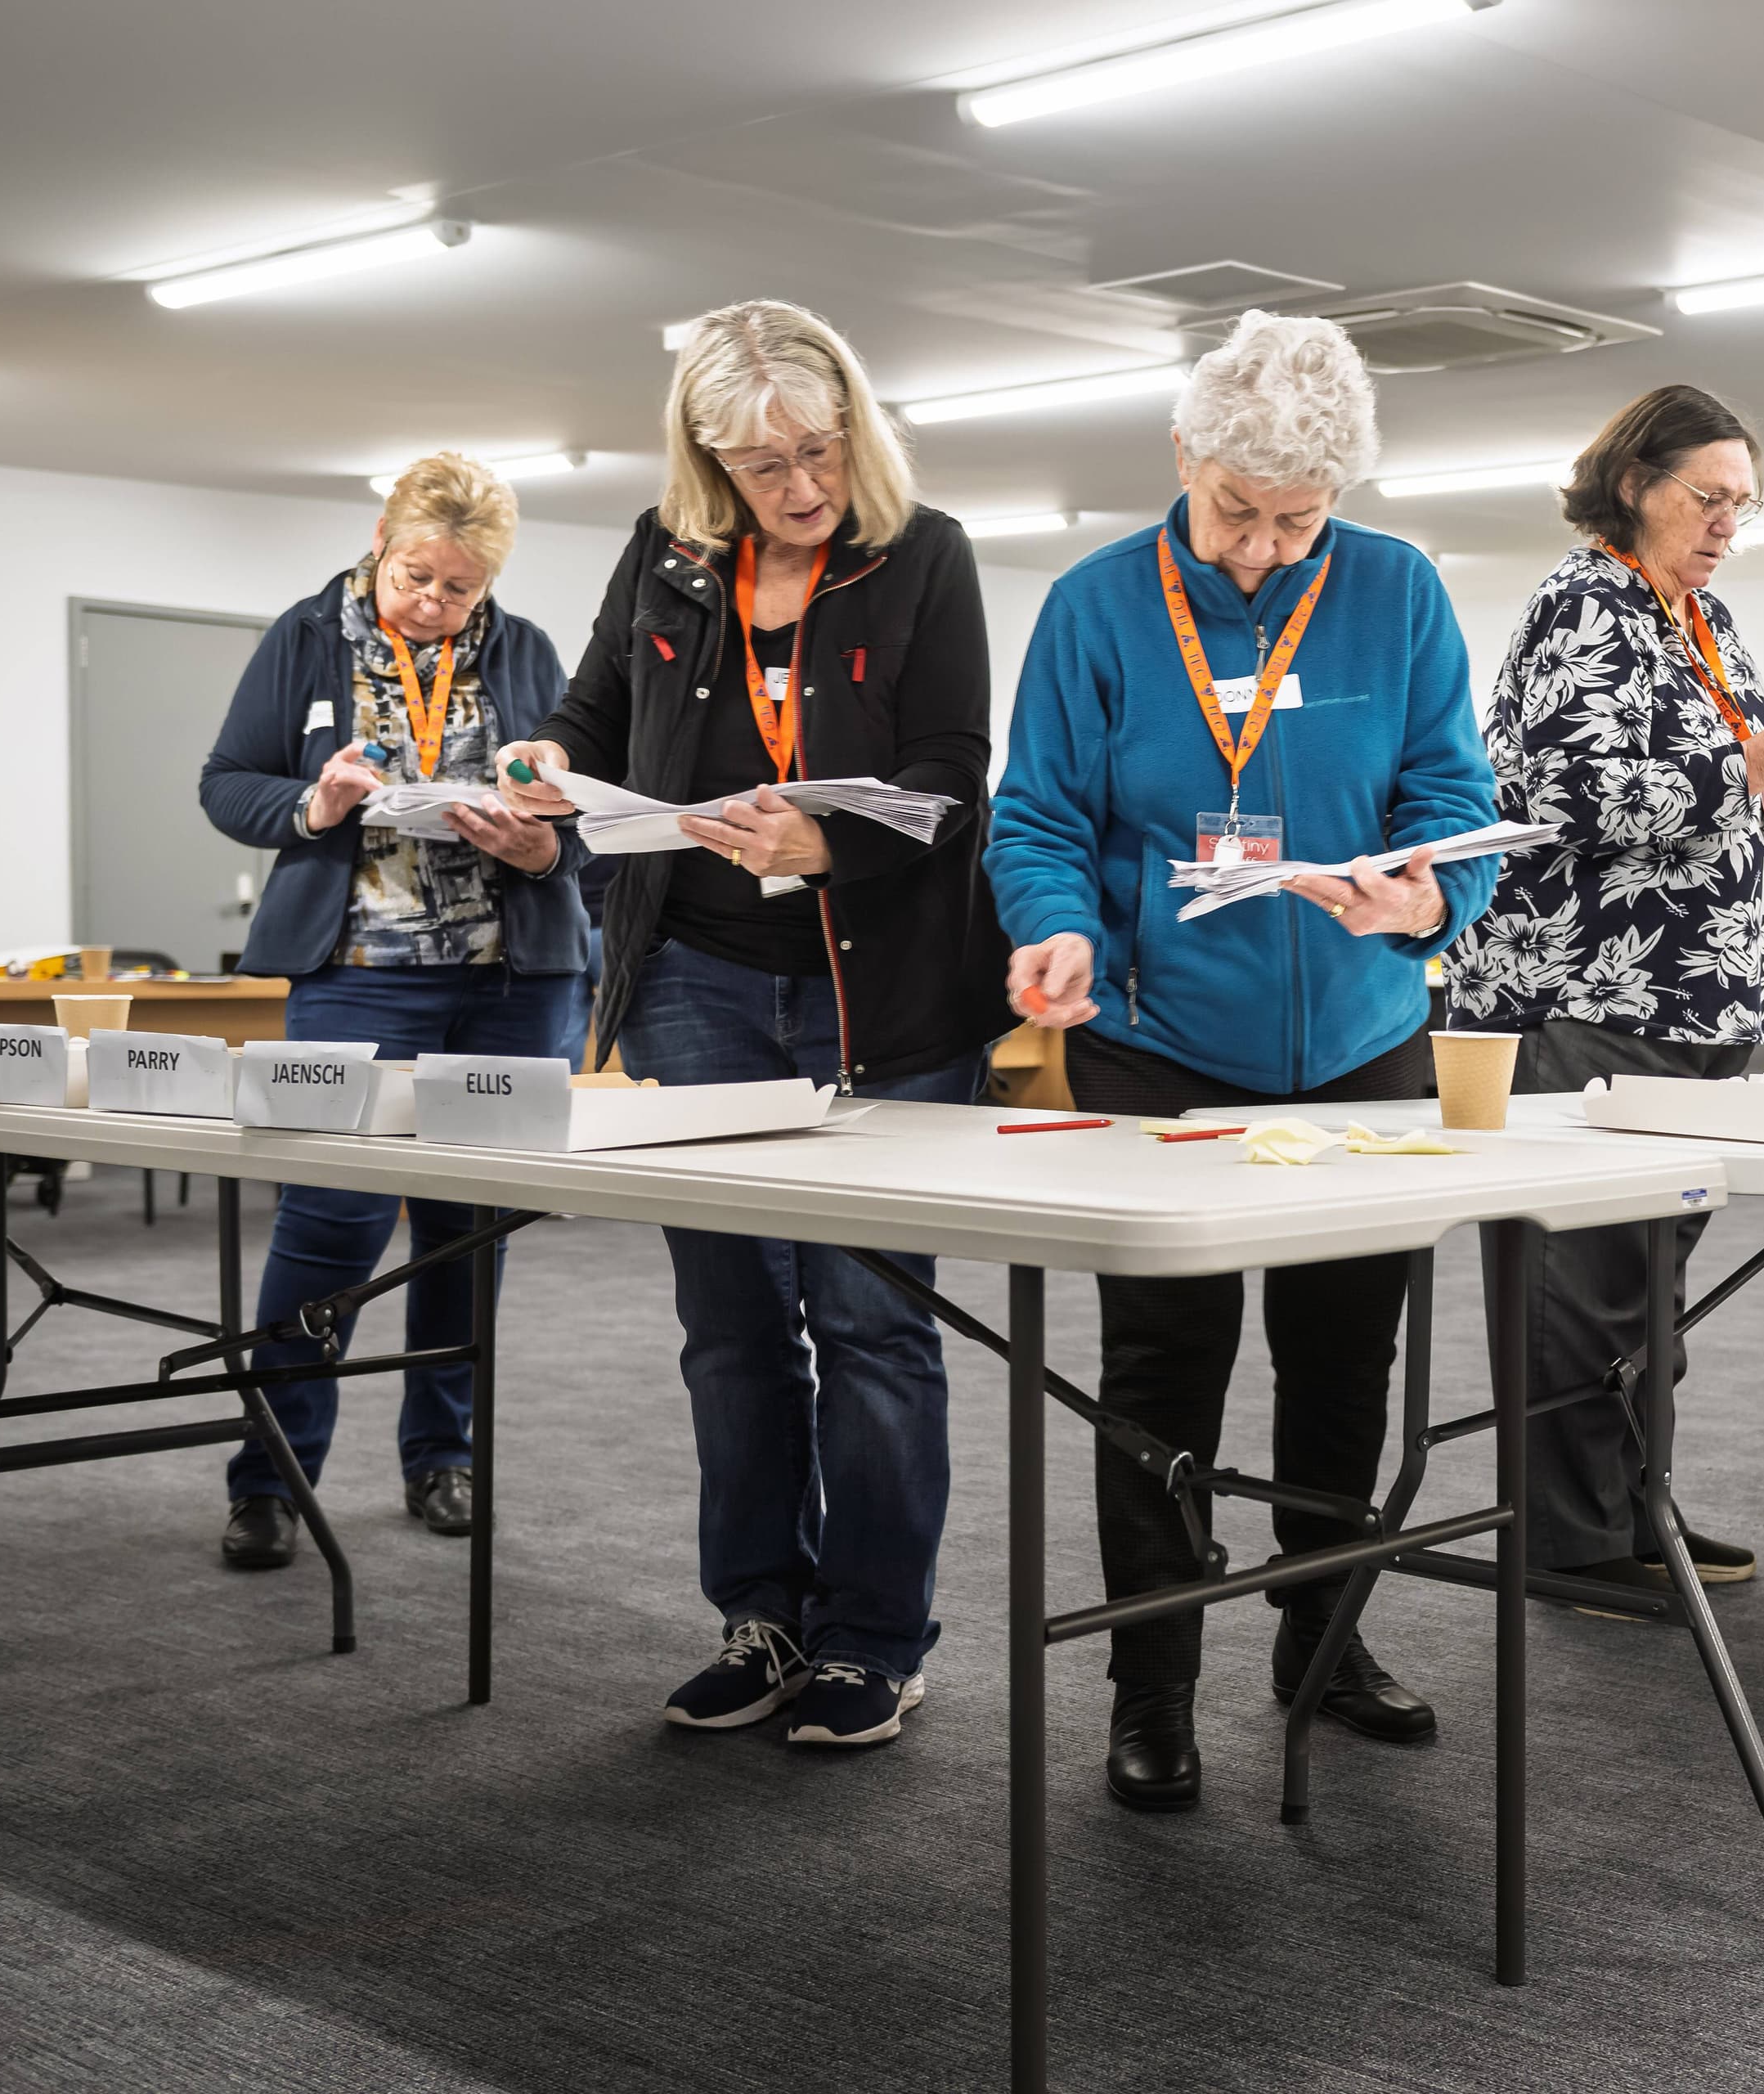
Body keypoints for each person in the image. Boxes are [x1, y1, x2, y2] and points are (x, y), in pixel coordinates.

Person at [986, 310, 1499, 1813]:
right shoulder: (1095, 607)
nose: (1267, 552)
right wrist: (1061, 928)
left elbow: (1449, 793)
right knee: (1162, 1379)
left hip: (1362, 1043)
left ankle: (1321, 1641)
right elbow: (1041, 819)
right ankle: (1152, 1684)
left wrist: (1430, 898)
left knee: (1347, 1366)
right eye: (1238, 515)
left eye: (1299, 522)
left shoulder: (1398, 593)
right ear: (1182, 457)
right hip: (1162, 1050)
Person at [497, 300, 1006, 1750]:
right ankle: (762, 1616)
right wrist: (545, 771)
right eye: (759, 462)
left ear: (857, 427)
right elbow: (589, 724)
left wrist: (831, 844)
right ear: (705, 458)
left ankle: (873, 1638)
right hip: (699, 974)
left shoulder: (925, 555)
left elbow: (954, 770)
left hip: (880, 987)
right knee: (730, 1323)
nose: (795, 487)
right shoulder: (668, 562)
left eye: (817, 451)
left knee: (869, 1318)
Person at [1442, 384, 1764, 1606]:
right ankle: (1566, 1542)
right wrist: (1755, 764)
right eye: (1710, 496)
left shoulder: (1701, 616)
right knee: (1584, 1289)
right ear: (1636, 482)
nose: (1731, 521)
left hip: (1705, 1007)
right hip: (1599, 995)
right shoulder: (1585, 604)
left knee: (1649, 1290)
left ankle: (1636, 1517)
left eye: (1746, 503)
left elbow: (1724, 791)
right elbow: (1578, 802)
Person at [200, 453, 587, 1571]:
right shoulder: (307, 637)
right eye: (418, 575)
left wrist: (544, 842)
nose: (433, 604)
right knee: (328, 1225)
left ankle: (443, 1456)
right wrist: (312, 805)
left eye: (459, 589)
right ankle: (270, 1479)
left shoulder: (525, 650)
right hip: (358, 968)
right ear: (382, 538)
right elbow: (227, 781)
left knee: (468, 1229)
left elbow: (578, 809)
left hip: (512, 980)